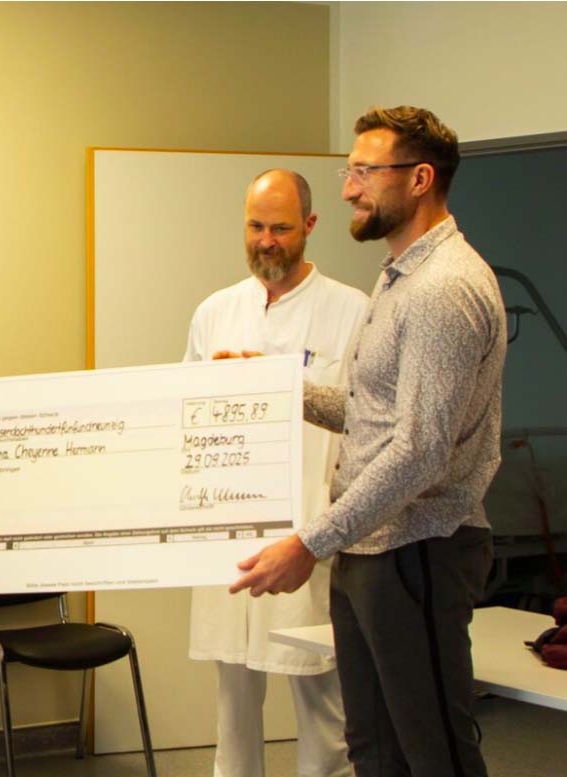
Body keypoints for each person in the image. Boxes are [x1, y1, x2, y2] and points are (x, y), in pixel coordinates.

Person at [229, 106, 505, 777]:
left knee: (432, 753)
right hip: (371, 549)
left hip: (418, 549)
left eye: (363, 172)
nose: (349, 189)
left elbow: (418, 449)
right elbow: (370, 412)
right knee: (375, 752)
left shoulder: (442, 288)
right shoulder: (398, 275)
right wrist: (278, 387)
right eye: (348, 172)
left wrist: (309, 542)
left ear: (419, 179)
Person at [185, 169, 366, 777]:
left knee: (322, 701)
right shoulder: (215, 312)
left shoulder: (351, 311)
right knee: (233, 706)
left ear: (310, 225)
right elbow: (185, 414)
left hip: (309, 530)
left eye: (281, 228)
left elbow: (365, 421)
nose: (266, 241)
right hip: (228, 531)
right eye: (256, 226)